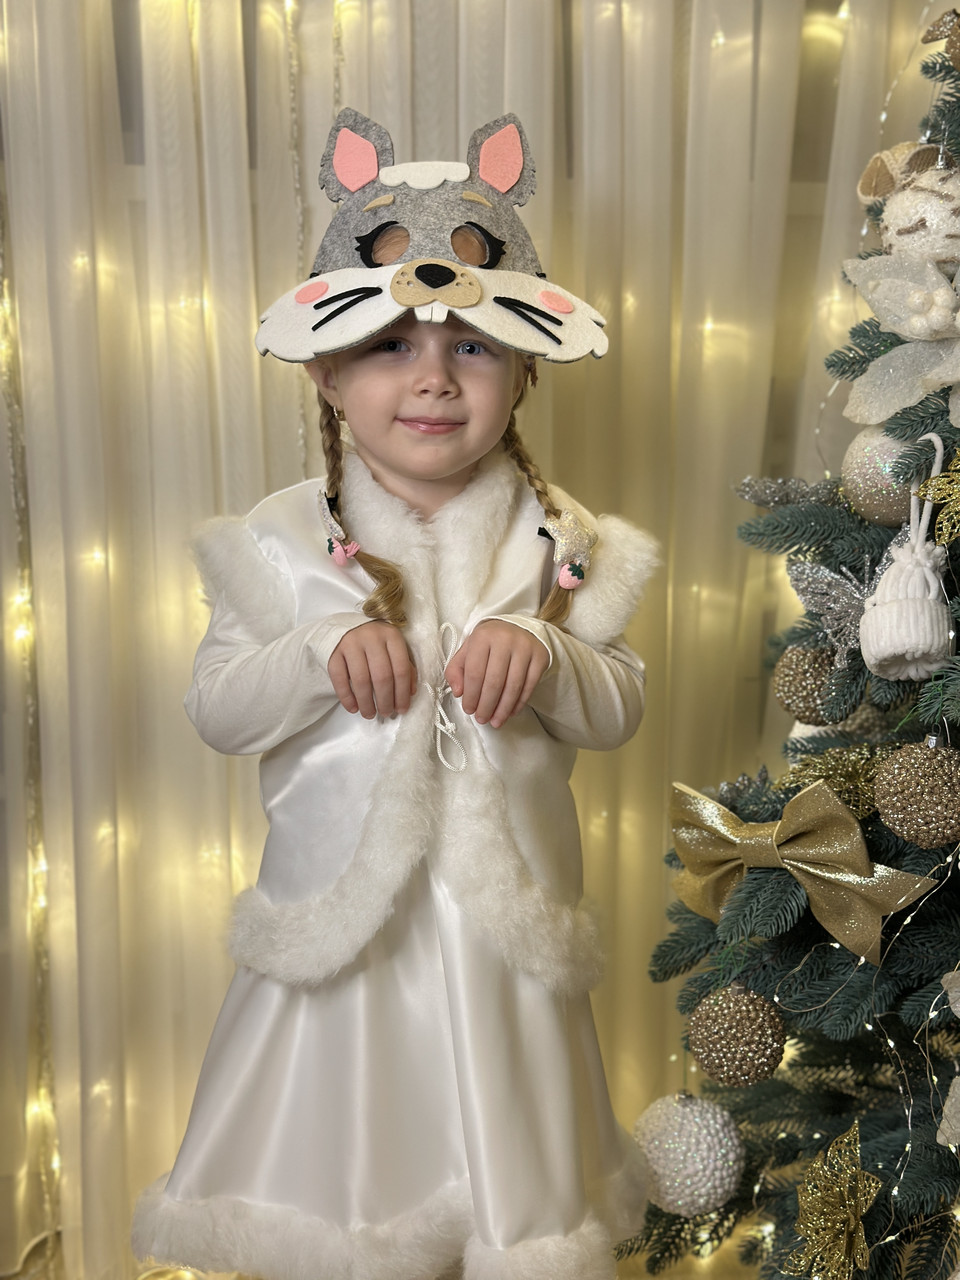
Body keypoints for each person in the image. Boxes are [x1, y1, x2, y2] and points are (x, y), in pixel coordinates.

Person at [132, 108, 659, 1280]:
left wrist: (547, 651)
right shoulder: (279, 539)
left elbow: (619, 701)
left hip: (499, 936)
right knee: (343, 1195)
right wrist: (318, 650)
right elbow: (218, 708)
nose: (431, 378)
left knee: (509, 1189)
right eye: (388, 345)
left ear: (523, 367)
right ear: (326, 371)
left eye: (471, 347)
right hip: (341, 936)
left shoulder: (557, 539)